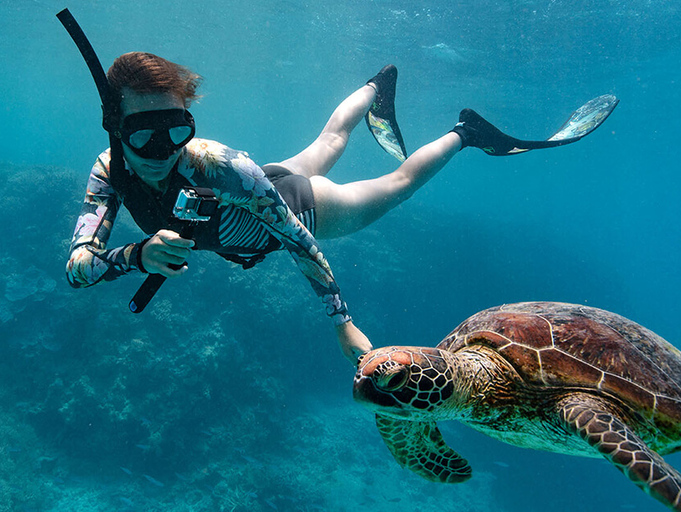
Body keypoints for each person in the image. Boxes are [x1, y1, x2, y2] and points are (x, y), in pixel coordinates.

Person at [66, 52, 615, 365]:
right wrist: (137, 255)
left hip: (297, 208)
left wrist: (342, 324)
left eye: (178, 130)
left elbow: (297, 241)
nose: (164, 150)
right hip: (257, 186)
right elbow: (78, 271)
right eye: (144, 134)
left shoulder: (220, 165)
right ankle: (377, 86)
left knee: (395, 184)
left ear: (192, 125)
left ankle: (465, 133)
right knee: (325, 146)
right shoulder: (108, 171)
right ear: (115, 126)